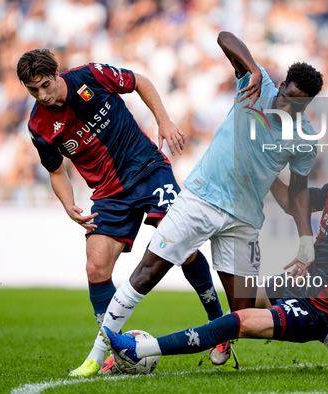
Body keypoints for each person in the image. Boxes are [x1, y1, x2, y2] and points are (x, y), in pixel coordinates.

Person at [95, 30, 324, 372]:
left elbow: (299, 191)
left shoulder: (304, 137)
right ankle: (96, 356)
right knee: (145, 273)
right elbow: (225, 37)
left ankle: (235, 334)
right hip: (200, 199)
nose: (289, 107)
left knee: (244, 315)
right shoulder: (254, 84)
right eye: (287, 97)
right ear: (282, 84)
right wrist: (253, 68)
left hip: (244, 219)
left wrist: (306, 238)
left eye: (298, 104)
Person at [101, 135, 328, 374]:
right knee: (242, 294)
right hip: (304, 284)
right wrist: (267, 172)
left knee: (235, 322)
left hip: (318, 307)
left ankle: (138, 350)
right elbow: (293, 203)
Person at [17, 49, 224, 377]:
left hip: (148, 169)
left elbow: (139, 81)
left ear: (57, 74)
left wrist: (164, 121)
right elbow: (56, 171)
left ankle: (219, 328)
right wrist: (67, 203)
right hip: (109, 195)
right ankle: (110, 350)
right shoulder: (39, 125)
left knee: (182, 247)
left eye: (45, 85)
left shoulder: (88, 76)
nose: (42, 95)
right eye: (33, 91)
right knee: (95, 267)